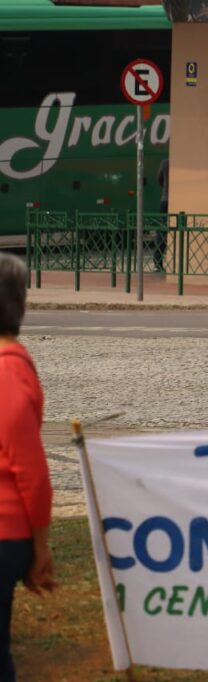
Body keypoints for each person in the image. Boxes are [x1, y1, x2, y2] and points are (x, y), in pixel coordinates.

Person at [0, 253, 56, 681]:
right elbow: (33, 476)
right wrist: (39, 546)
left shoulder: (8, 374)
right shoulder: (13, 370)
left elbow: (31, 475)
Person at [154, 158, 169, 272]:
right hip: (177, 200)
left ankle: (158, 261)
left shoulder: (165, 162)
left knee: (161, 231)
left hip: (165, 200)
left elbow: (159, 179)